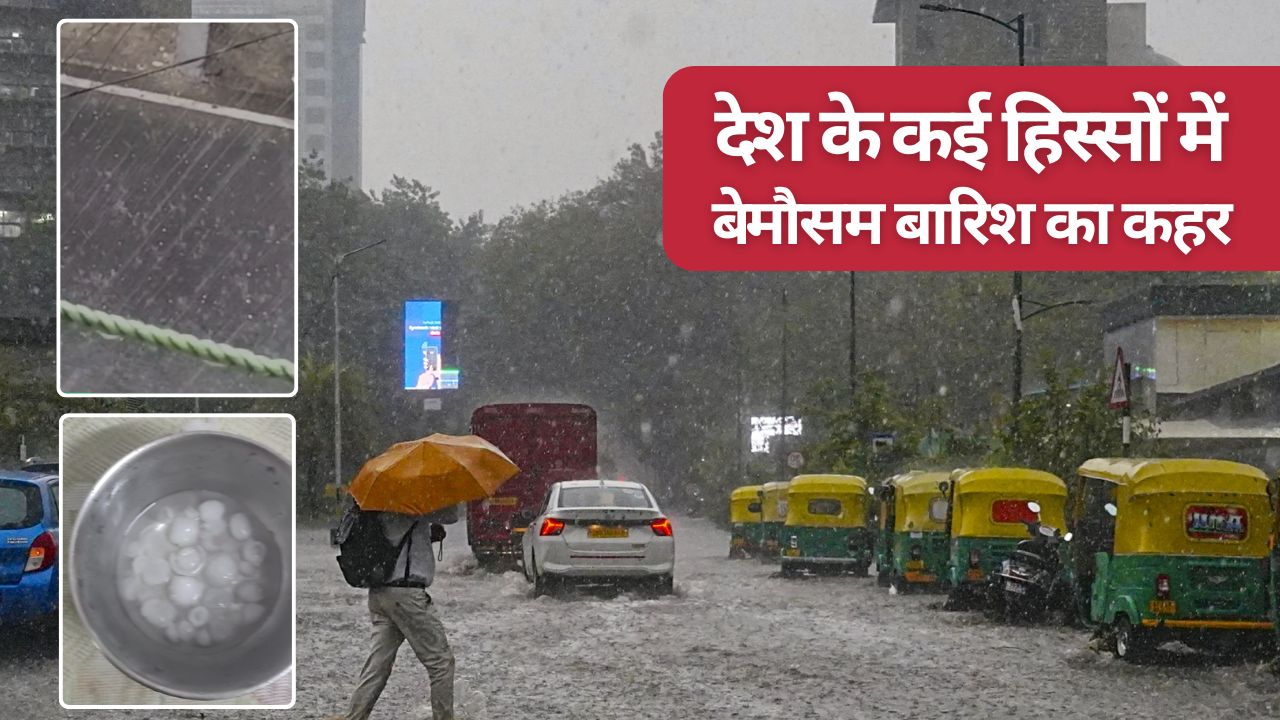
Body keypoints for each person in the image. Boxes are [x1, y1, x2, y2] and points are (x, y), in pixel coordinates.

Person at [334, 513, 455, 720]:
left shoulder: (381, 508)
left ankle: (353, 717)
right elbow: (450, 514)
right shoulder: (411, 507)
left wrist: (427, 533)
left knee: (378, 665)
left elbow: (396, 540)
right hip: (406, 595)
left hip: (381, 594)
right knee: (441, 662)